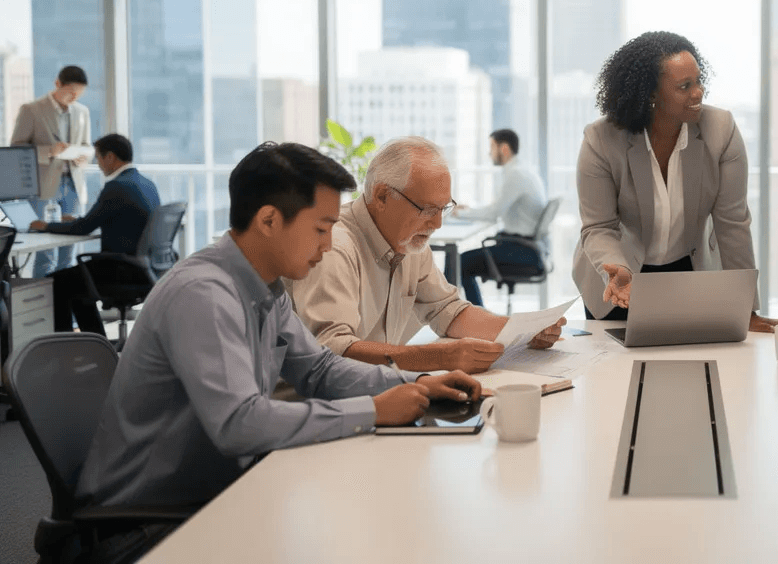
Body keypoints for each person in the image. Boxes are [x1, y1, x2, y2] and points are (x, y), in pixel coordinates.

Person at [76, 142, 481, 546]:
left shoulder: (266, 288)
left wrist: (413, 382)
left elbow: (319, 369)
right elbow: (239, 424)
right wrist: (373, 410)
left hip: (219, 491)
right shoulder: (204, 294)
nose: (328, 244)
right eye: (321, 229)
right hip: (146, 526)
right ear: (269, 221)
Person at [290, 137, 563, 375]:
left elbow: (447, 311)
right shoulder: (333, 248)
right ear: (382, 196)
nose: (437, 224)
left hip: (381, 387)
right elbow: (331, 351)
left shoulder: (407, 241)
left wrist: (523, 331)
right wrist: (437, 358)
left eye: (443, 209)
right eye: (427, 209)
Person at [572, 30, 778, 332]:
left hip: (686, 272)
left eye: (698, 81)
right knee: (614, 372)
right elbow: (598, 227)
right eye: (684, 86)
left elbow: (733, 224)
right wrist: (618, 270)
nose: (697, 92)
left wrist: (745, 308)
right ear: (650, 94)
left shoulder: (721, 130)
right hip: (619, 282)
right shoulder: (601, 140)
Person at [27, 134, 160, 334]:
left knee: (57, 281)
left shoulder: (116, 187)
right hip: (143, 266)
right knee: (76, 284)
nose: (98, 164)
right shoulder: (146, 183)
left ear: (110, 158)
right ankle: (94, 343)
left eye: (98, 158)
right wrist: (78, 221)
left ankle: (66, 347)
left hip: (122, 269)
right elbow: (99, 219)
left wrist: (45, 226)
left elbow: (83, 228)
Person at [10, 65, 93, 277]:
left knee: (68, 250)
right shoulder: (32, 110)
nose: (74, 97)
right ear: (57, 84)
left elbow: (87, 145)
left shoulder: (82, 112)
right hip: (44, 187)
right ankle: (44, 306)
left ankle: (63, 304)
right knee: (45, 250)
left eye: (79, 93)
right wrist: (49, 151)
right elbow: (17, 149)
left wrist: (84, 155)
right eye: (70, 92)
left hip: (72, 184)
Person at [452, 128, 548, 307]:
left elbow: (493, 214)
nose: (489, 153)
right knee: (461, 260)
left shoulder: (516, 175)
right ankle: (474, 315)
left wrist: (459, 213)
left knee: (459, 263)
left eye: (491, 147)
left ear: (504, 149)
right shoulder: (523, 171)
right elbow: (496, 209)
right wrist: (470, 210)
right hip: (526, 246)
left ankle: (478, 319)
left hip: (522, 249)